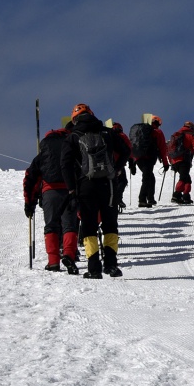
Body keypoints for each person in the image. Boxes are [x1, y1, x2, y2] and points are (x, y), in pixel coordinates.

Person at [70, 104, 127, 279]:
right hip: (108, 185)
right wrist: (116, 169)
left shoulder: (73, 136)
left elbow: (65, 163)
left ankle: (94, 268)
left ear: (74, 119)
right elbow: (125, 150)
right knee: (110, 224)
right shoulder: (107, 133)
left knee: (89, 227)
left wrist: (72, 188)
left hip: (85, 186)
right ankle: (111, 265)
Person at [24, 114, 81, 273]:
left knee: (51, 226)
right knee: (70, 224)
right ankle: (69, 255)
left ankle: (53, 261)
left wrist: (30, 202)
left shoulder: (45, 150)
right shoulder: (73, 145)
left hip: (49, 192)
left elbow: (31, 177)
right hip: (69, 189)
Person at [129, 114, 169, 207]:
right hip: (149, 158)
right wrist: (165, 163)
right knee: (147, 178)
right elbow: (162, 148)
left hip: (138, 159)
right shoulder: (157, 132)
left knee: (150, 177)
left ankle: (150, 198)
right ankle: (142, 199)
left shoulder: (138, 131)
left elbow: (133, 146)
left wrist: (132, 163)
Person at [167, 120, 194, 204]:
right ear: (191, 127)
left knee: (187, 179)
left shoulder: (176, 134)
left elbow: (169, 149)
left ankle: (186, 196)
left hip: (174, 160)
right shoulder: (190, 135)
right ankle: (176, 195)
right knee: (183, 178)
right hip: (184, 160)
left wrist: (171, 161)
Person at [104, 118, 135, 212]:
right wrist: (131, 162)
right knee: (122, 181)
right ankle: (118, 199)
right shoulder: (122, 135)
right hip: (119, 163)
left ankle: (111, 201)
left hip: (107, 163)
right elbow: (128, 148)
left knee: (110, 183)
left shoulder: (106, 135)